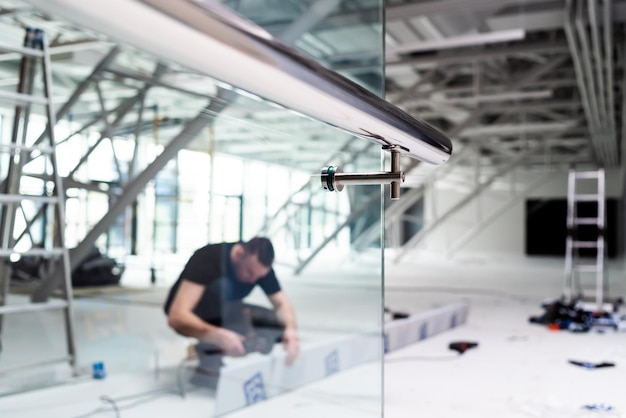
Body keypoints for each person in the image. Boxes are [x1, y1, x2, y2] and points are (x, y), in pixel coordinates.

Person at [164, 237, 299, 380]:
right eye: (249, 272)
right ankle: (208, 361)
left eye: (258, 277)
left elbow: (282, 304)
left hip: (227, 309)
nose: (253, 280)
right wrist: (218, 335)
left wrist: (291, 332)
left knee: (276, 322)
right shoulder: (208, 258)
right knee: (222, 287)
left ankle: (229, 347)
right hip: (193, 313)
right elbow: (177, 316)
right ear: (238, 254)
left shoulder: (258, 267)